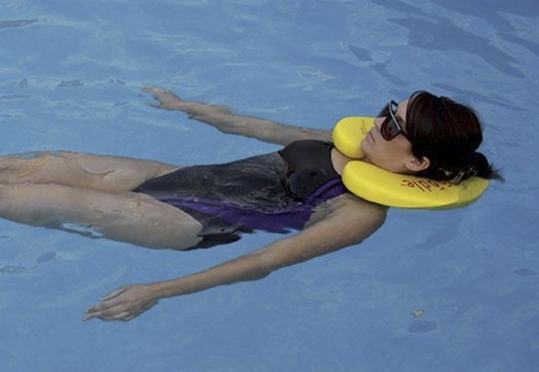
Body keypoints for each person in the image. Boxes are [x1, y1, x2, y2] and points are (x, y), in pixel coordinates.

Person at [0, 87, 501, 322]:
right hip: (179, 177)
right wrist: (190, 108)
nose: (376, 123)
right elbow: (262, 128)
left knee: (40, 196)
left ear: (417, 163)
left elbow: (263, 262)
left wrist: (158, 291)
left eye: (392, 126)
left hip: (189, 221)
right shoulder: (343, 143)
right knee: (35, 165)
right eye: (386, 110)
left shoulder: (358, 214)